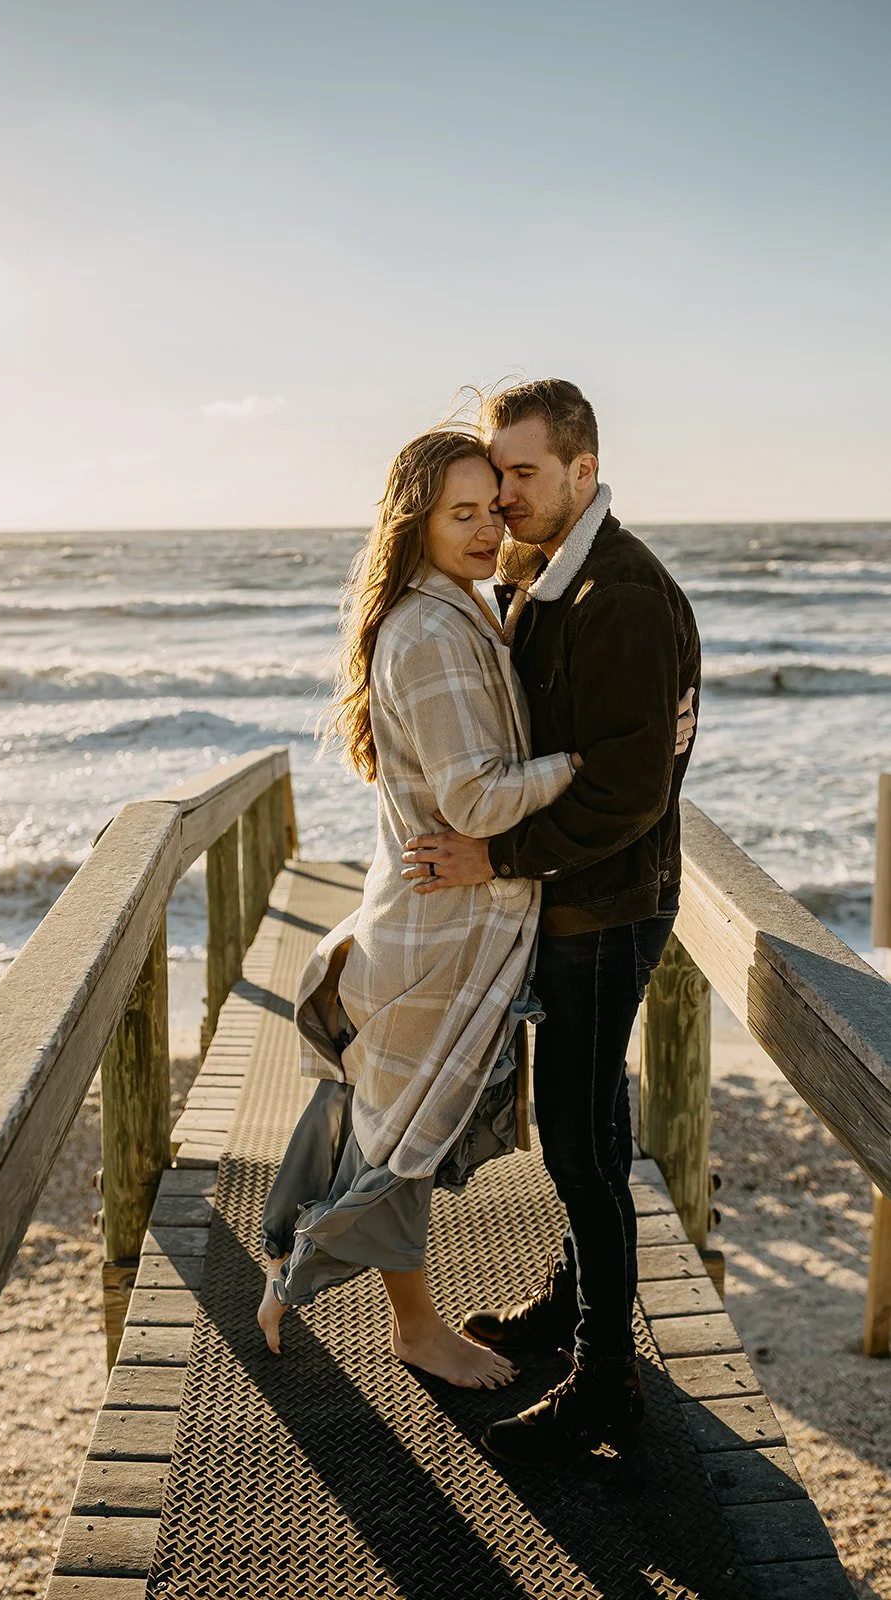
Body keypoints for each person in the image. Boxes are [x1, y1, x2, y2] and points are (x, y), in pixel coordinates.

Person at [257, 425, 696, 1394]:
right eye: (462, 513)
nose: (489, 528)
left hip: (441, 924)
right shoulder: (433, 630)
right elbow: (475, 800)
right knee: (399, 1136)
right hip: (437, 931)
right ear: (413, 523)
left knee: (384, 1118)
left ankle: (292, 1270)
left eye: (493, 506)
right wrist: (589, 762)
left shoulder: (459, 610)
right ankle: (390, 1319)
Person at [400, 379, 701, 1459]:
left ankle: (604, 1377)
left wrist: (494, 852)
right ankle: (565, 1305)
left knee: (574, 1138)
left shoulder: (618, 593)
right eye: (498, 474)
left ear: (582, 469)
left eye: (524, 474)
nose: (507, 495)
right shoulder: (544, 571)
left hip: (604, 908)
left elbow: (627, 790)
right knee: (584, 1121)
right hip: (568, 900)